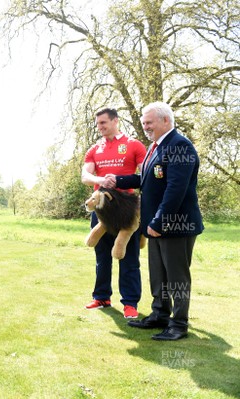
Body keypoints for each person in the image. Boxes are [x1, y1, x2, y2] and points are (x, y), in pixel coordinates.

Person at [106, 101, 203, 341]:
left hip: (175, 225)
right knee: (159, 274)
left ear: (165, 121)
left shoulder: (180, 146)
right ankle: (159, 315)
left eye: (149, 123)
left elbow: (175, 190)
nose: (145, 127)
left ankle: (178, 325)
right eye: (143, 124)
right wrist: (117, 180)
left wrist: (159, 221)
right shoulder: (155, 147)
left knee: (177, 277)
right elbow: (147, 179)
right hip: (155, 225)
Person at [81, 108, 147, 319]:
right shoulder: (95, 149)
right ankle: (101, 297)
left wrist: (120, 181)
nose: (100, 127)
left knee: (128, 257)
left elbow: (145, 173)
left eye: (103, 123)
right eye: (98, 124)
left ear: (115, 121)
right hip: (101, 209)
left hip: (127, 210)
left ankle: (130, 303)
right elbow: (85, 175)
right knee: (102, 256)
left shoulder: (133, 144)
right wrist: (101, 181)